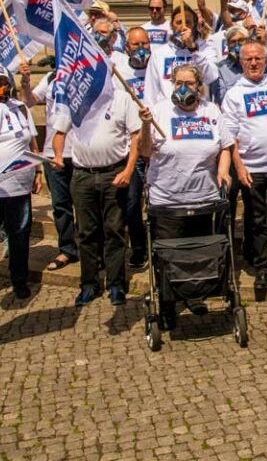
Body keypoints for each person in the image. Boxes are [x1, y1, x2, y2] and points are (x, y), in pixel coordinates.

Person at [139, 64, 233, 327]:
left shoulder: (211, 111)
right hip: (168, 201)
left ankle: (196, 297)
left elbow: (225, 146)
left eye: (189, 83)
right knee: (169, 257)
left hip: (204, 199)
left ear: (198, 86)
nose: (183, 87)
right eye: (178, 81)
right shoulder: (158, 111)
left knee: (198, 255)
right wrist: (146, 127)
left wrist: (224, 171)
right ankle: (168, 305)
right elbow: (145, 152)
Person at [53, 89, 141, 308]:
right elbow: (59, 133)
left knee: (115, 230)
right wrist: (57, 155)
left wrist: (129, 170)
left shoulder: (122, 98)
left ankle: (116, 284)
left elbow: (136, 135)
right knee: (86, 232)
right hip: (83, 174)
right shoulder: (74, 97)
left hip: (115, 172)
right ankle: (89, 284)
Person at [221, 42, 267, 294]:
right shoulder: (233, 94)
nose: (253, 63)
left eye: (258, 59)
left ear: (266, 61)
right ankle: (262, 268)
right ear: (241, 63)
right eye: (248, 59)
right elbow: (230, 137)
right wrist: (239, 169)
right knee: (257, 220)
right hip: (251, 168)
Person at [0, 65, 41, 299]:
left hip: (19, 184)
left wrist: (38, 171)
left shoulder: (20, 108)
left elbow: (32, 141)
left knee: (19, 235)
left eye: (2, 80)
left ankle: (19, 280)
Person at [20, 61, 78, 272]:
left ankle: (93, 251)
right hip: (53, 154)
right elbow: (28, 101)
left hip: (82, 153)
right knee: (61, 205)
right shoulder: (51, 77)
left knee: (86, 207)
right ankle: (67, 249)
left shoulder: (87, 76)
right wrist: (26, 82)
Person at [111, 27, 152, 268]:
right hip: (132, 145)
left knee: (157, 200)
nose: (141, 48)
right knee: (133, 201)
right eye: (135, 44)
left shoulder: (156, 67)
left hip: (155, 143)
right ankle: (138, 247)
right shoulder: (119, 71)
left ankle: (156, 243)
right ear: (126, 47)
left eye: (145, 43)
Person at [143, 6, 219, 107]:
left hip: (198, 112)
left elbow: (211, 77)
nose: (183, 27)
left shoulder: (206, 49)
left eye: (188, 22)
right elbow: (151, 90)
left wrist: (193, 49)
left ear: (194, 25)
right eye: (178, 23)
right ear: (172, 26)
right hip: (169, 112)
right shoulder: (159, 53)